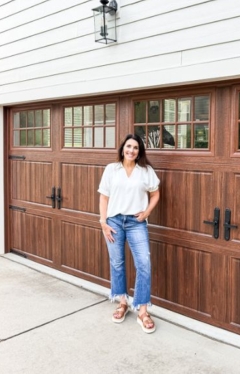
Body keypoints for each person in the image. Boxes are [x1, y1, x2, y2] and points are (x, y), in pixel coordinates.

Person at [97, 134, 160, 334]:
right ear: (123, 148)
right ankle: (122, 302)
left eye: (135, 147)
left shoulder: (146, 171)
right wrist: (103, 223)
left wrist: (147, 213)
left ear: (139, 151)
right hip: (113, 222)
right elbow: (104, 197)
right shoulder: (111, 169)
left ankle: (142, 310)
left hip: (136, 223)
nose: (131, 150)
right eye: (128, 146)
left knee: (144, 263)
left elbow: (155, 193)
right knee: (117, 263)